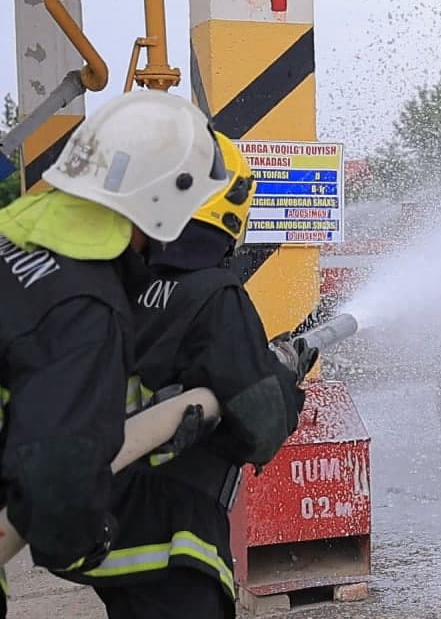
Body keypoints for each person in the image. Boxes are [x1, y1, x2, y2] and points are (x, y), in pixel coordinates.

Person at [58, 133, 312, 619]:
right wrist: (283, 381)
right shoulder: (214, 294)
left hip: (115, 528)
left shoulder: (118, 290)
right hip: (177, 535)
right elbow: (260, 428)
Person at [0, 90, 230, 616]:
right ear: (163, 202)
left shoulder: (13, 238)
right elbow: (57, 474)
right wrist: (87, 535)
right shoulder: (86, 305)